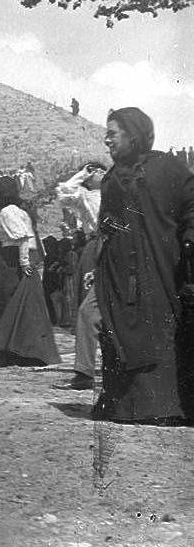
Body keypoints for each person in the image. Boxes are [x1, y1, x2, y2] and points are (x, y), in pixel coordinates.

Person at [93, 108, 194, 425]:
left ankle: (163, 406)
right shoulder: (111, 176)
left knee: (157, 327)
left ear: (133, 134)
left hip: (160, 267)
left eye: (113, 132)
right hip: (118, 275)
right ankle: (124, 405)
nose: (106, 138)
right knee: (119, 328)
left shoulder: (169, 168)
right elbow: (106, 225)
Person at [0, 176, 61, 367]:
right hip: (16, 258)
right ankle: (19, 351)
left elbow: (23, 237)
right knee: (23, 305)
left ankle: (7, 351)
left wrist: (24, 264)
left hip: (11, 260)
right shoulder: (20, 211)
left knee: (7, 303)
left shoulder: (7, 212)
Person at [56, 162, 106, 390]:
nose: (101, 174)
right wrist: (81, 175)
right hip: (96, 245)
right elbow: (63, 193)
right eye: (95, 171)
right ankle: (84, 371)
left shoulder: (116, 191)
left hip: (117, 245)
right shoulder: (85, 195)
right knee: (89, 307)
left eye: (102, 170)